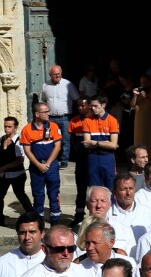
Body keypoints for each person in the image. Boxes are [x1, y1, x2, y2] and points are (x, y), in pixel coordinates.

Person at [19, 102, 62, 226]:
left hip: (51, 166)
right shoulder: (27, 129)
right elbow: (27, 150)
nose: (48, 113)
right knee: (38, 195)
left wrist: (47, 163)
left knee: (54, 194)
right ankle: (39, 223)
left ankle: (55, 222)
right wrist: (38, 165)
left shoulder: (53, 126)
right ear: (37, 114)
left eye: (48, 111)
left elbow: (57, 146)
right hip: (36, 167)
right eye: (45, 112)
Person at [41, 64, 79, 168]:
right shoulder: (45, 85)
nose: (57, 76)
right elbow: (44, 100)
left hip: (64, 117)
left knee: (65, 140)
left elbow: (76, 98)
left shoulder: (68, 84)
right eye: (55, 74)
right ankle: (51, 159)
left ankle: (64, 160)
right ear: (50, 75)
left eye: (59, 74)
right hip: (51, 118)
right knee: (49, 139)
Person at [82, 94, 119, 190]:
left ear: (103, 105)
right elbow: (86, 143)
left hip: (108, 157)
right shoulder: (87, 121)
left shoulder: (112, 120)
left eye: (96, 106)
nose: (93, 108)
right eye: (91, 106)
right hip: (92, 156)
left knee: (110, 187)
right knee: (93, 188)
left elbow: (113, 145)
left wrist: (95, 143)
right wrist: (107, 143)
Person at [0, 116, 33, 225]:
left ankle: (31, 216)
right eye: (5, 126)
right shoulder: (2, 139)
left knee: (20, 194)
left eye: (9, 127)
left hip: (17, 174)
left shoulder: (19, 141)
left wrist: (6, 167)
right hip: (3, 175)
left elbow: (20, 160)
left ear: (15, 128)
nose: (6, 129)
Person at [108, 172, 151, 244]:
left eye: (131, 188)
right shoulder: (107, 215)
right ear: (114, 192)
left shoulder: (147, 212)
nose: (128, 193)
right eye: (124, 189)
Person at [68, 96, 91, 226]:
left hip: (92, 159)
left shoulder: (93, 120)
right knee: (81, 189)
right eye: (78, 106)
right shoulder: (74, 121)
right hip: (81, 159)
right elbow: (72, 140)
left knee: (93, 189)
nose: (80, 108)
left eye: (83, 105)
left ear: (88, 106)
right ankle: (79, 215)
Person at [0, 211, 45, 275]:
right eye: (23, 233)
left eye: (32, 232)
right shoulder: (3, 263)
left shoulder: (55, 261)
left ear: (42, 233)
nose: (27, 237)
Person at [131, 74, 151, 160]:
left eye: (145, 82)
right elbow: (132, 105)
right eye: (141, 82)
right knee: (139, 141)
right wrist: (135, 95)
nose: (143, 84)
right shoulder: (138, 94)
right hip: (139, 123)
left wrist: (147, 97)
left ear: (150, 82)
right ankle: (139, 159)